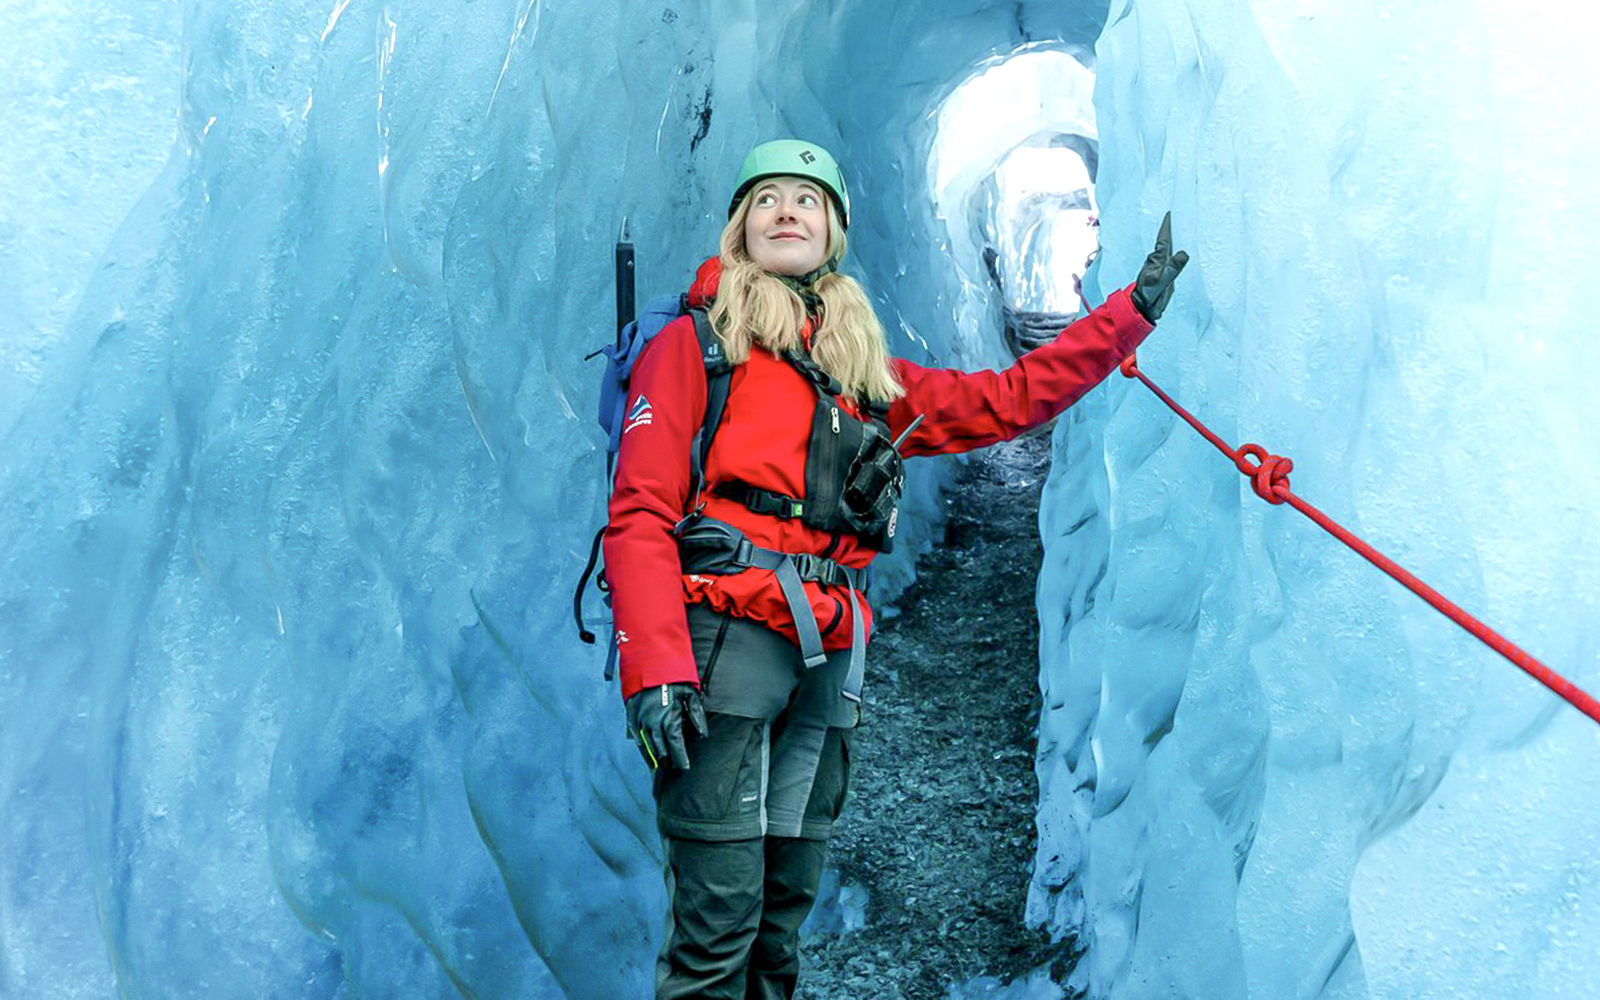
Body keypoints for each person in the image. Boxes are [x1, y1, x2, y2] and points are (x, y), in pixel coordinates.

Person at [603, 139, 1187, 1000]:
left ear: (833, 231)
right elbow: (641, 513)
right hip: (724, 646)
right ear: (739, 229)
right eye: (767, 200)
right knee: (717, 925)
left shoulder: (859, 372)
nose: (787, 212)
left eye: (808, 200)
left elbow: (1004, 399)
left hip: (827, 657)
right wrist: (655, 671)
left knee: (779, 918)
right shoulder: (698, 348)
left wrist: (1126, 317)